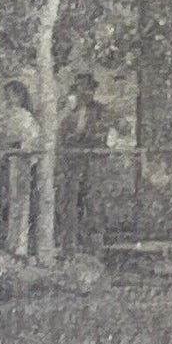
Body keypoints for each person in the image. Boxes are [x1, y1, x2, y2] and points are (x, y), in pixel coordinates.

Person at [56, 72, 114, 257]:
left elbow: (104, 134)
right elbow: (61, 136)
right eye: (81, 88)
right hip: (72, 164)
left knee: (93, 205)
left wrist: (85, 138)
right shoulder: (69, 113)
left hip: (92, 163)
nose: (85, 93)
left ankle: (94, 250)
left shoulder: (100, 111)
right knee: (70, 205)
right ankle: (69, 248)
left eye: (89, 89)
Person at [0, 80, 45, 258]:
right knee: (8, 202)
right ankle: (10, 241)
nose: (8, 97)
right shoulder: (7, 115)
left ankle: (20, 245)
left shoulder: (25, 117)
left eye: (12, 94)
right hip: (9, 161)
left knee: (20, 203)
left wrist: (21, 148)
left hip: (20, 162)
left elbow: (32, 140)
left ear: (20, 96)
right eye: (7, 94)